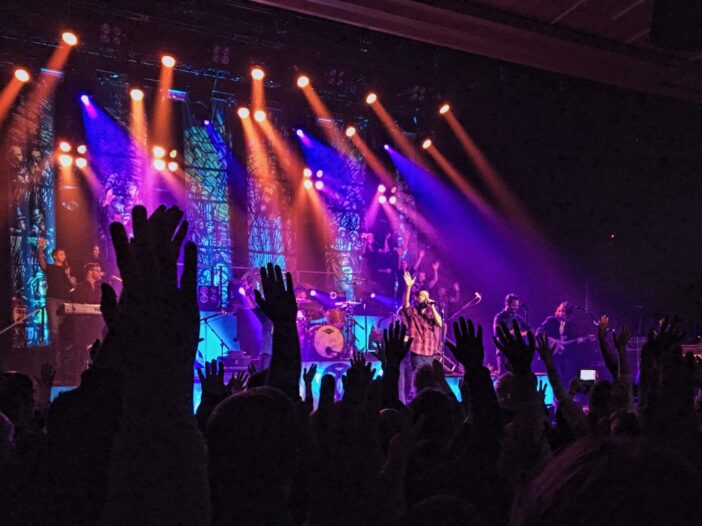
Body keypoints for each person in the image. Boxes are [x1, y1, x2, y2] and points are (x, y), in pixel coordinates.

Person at [401, 271, 443, 399]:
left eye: (427, 296)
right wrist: (408, 287)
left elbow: (440, 323)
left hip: (430, 353)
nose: (424, 298)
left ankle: (426, 401)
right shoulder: (413, 312)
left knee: (429, 381)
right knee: (419, 380)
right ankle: (416, 400)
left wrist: (433, 308)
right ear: (417, 298)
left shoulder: (431, 315)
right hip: (417, 352)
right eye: (422, 296)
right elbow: (405, 305)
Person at [36, 238, 76, 349]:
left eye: (64, 254)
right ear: (55, 256)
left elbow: (72, 286)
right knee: (54, 327)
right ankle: (56, 352)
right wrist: (40, 248)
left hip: (65, 300)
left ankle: (64, 351)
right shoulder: (50, 267)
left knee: (65, 327)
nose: (64, 256)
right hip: (53, 299)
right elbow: (41, 261)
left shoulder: (66, 269)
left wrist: (68, 275)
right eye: (61, 254)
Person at [493, 293, 529, 374]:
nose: (516, 308)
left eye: (517, 305)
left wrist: (519, 333)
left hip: (516, 354)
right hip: (503, 352)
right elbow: (497, 333)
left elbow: (529, 331)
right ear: (507, 303)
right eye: (514, 305)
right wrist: (512, 332)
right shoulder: (499, 317)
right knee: (503, 378)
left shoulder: (518, 318)